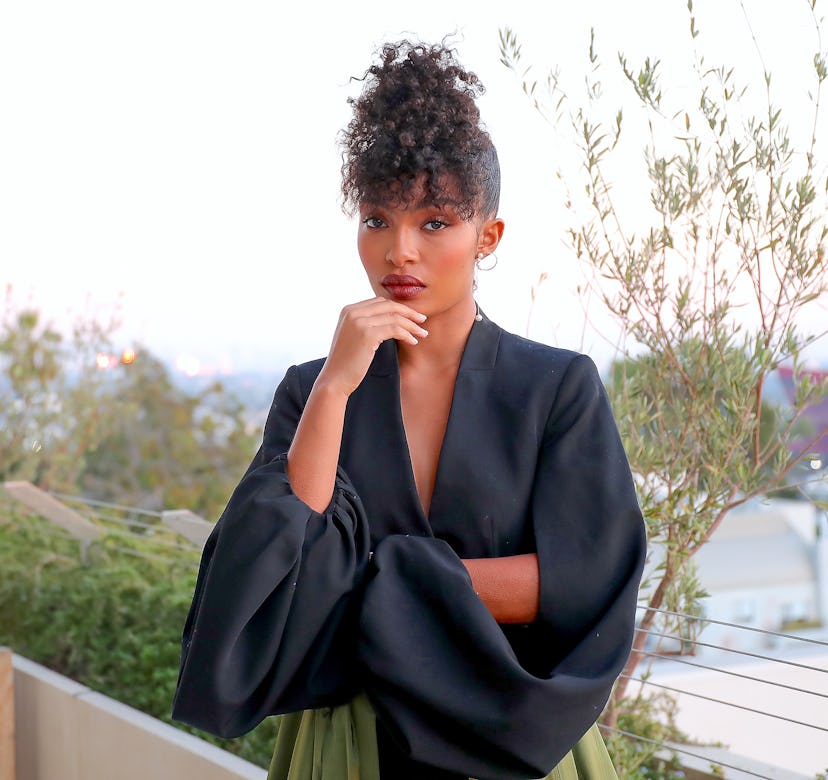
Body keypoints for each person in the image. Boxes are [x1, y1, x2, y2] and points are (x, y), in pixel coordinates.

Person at [171, 40, 646, 780]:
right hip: (350, 747)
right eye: (376, 219)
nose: (399, 251)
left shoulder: (556, 388)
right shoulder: (311, 390)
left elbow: (581, 583)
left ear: (486, 236)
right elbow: (275, 564)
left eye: (433, 223)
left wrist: (371, 578)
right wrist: (335, 386)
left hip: (510, 741)